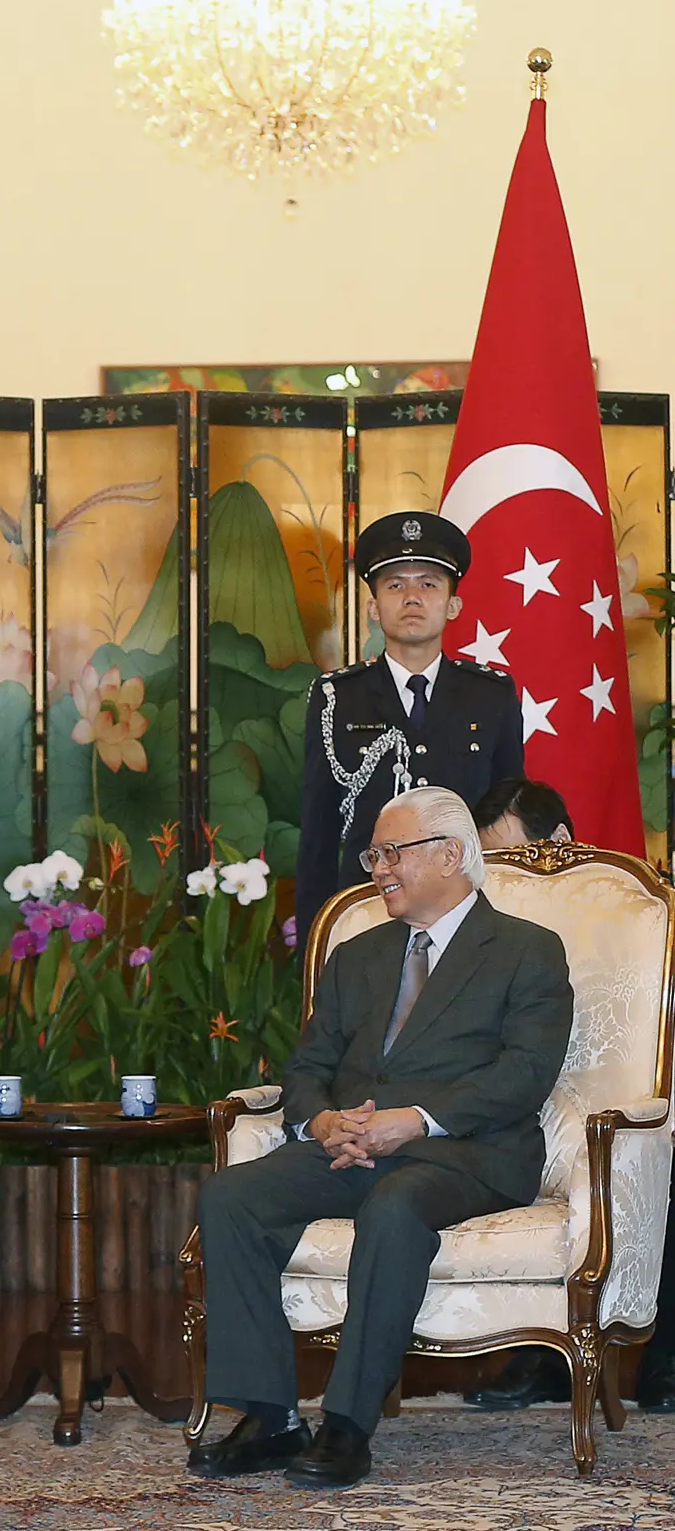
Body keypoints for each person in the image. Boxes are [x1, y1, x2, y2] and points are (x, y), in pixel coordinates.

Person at [190, 786, 573, 1487]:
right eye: (374, 854)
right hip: (351, 1148)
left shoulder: (527, 951)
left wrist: (417, 1120)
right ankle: (271, 1418)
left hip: (467, 1154)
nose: (379, 868)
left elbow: (525, 1074)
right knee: (230, 1197)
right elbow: (307, 1068)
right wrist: (321, 1121)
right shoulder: (358, 954)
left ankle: (347, 1425)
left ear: (452, 854)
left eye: (393, 852)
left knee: (395, 1205)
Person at [465, 777, 675, 1414]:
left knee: (655, 1149)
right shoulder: (486, 931)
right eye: (486, 862)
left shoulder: (637, 913)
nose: (496, 876)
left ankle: (663, 1361)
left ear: (555, 844)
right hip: (529, 1103)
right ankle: (543, 1359)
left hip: (632, 1101)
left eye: (504, 856)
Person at [295, 511, 525, 953]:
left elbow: (503, 822)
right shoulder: (337, 697)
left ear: (453, 605)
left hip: (466, 914)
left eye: (429, 584)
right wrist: (318, 938)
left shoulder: (491, 695)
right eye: (395, 585)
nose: (412, 597)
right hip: (367, 908)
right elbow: (319, 832)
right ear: (373, 607)